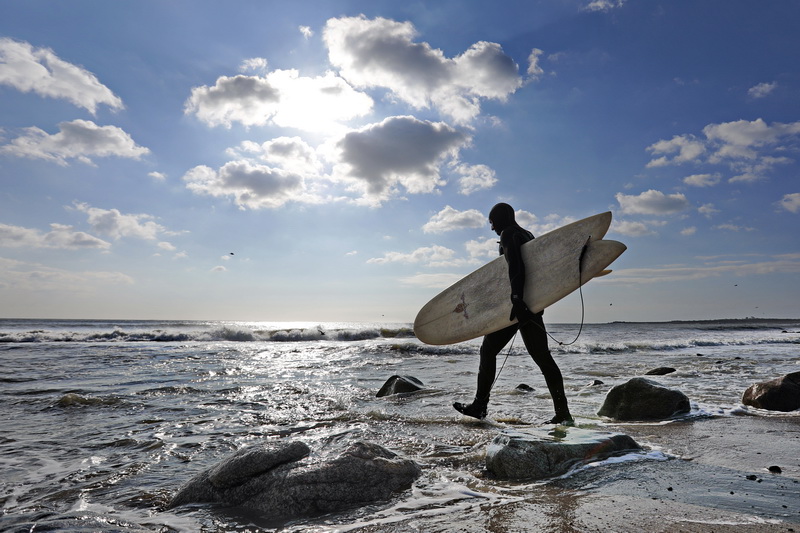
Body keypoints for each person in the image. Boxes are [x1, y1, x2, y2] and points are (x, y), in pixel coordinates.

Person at [453, 202, 573, 425]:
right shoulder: (527, 234)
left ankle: (480, 405)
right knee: (544, 358)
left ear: (501, 219)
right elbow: (538, 273)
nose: (492, 229)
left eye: (492, 222)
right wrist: (536, 304)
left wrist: (516, 300)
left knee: (488, 350)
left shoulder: (509, 233)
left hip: (517, 307)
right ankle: (563, 413)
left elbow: (516, 267)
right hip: (532, 308)